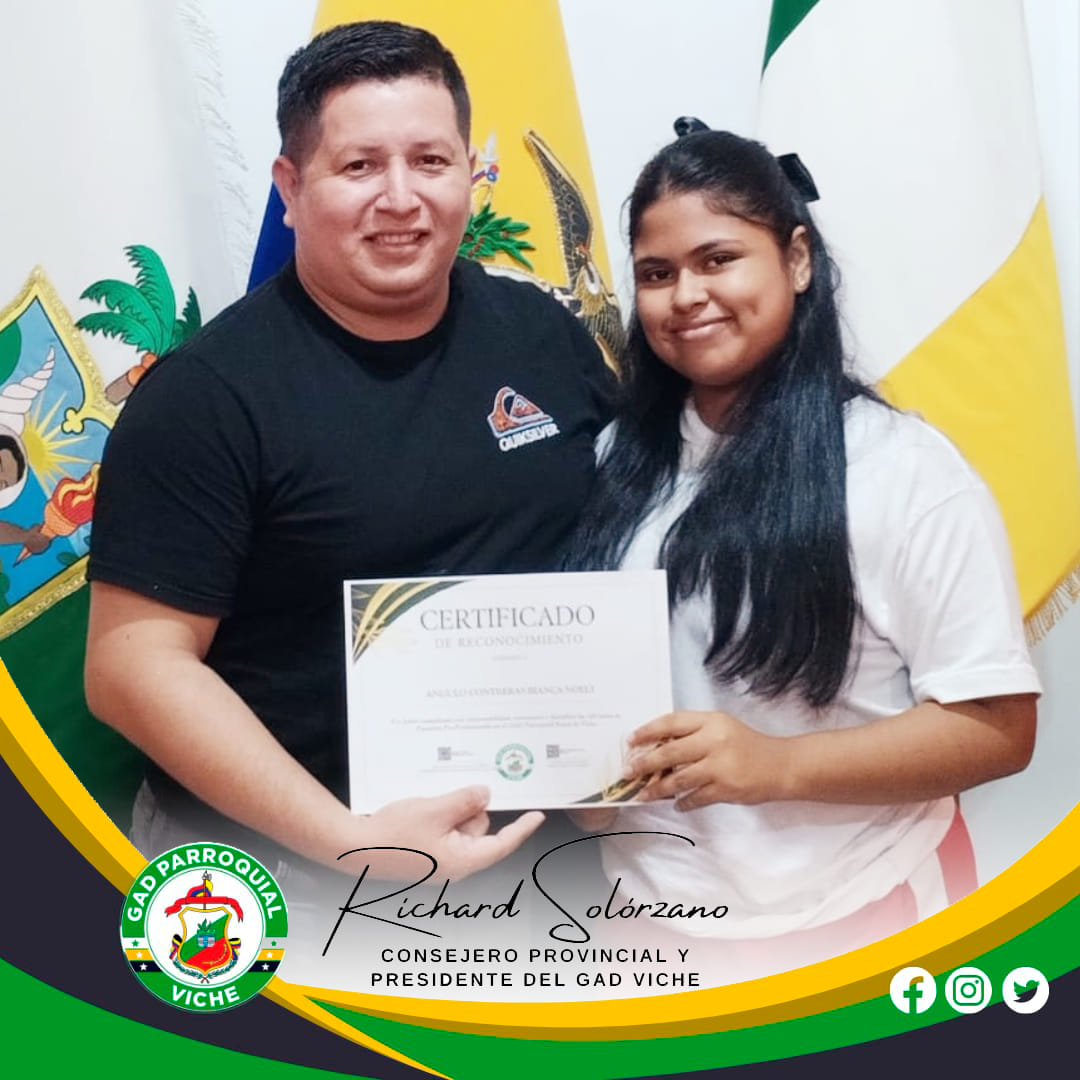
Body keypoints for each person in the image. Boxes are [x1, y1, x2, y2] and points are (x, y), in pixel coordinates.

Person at [83, 21, 612, 895]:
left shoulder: (543, 331)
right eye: (360, 166)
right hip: (297, 870)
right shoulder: (204, 397)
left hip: (544, 855)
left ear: (471, 174)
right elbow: (132, 668)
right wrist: (352, 843)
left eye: (431, 161)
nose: (401, 198)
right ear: (291, 188)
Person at [568, 128, 1039, 978]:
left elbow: (999, 729)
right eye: (657, 273)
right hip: (648, 923)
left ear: (795, 260)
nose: (687, 296)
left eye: (719, 259)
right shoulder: (613, 462)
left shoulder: (902, 470)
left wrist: (776, 765)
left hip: (863, 913)